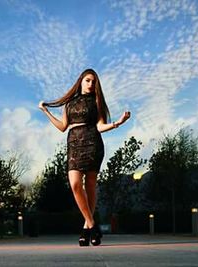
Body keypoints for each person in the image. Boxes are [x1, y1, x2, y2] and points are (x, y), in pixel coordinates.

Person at [38, 69, 131, 246]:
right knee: (74, 184)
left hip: (92, 143)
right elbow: (62, 127)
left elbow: (100, 126)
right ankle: (92, 225)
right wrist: (45, 111)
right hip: (73, 144)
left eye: (93, 82)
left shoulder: (96, 101)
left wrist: (118, 123)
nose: (91, 84)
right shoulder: (69, 104)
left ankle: (86, 228)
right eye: (88, 80)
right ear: (81, 81)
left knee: (90, 187)